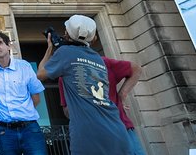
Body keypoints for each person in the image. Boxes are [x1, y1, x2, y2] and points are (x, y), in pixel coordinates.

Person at [37, 15, 131, 155]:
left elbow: (40, 74)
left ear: (67, 33)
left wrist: (50, 48)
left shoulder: (65, 52)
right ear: (93, 39)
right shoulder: (97, 58)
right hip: (117, 130)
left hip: (88, 133)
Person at [58, 55, 145, 154]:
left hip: (116, 127)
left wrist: (121, 96)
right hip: (100, 131)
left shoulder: (104, 62)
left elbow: (136, 69)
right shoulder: (64, 76)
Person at [0, 31, 47, 155]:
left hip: (30, 129)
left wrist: (24, 112)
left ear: (8, 46)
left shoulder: (25, 67)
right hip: (5, 132)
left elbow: (36, 97)